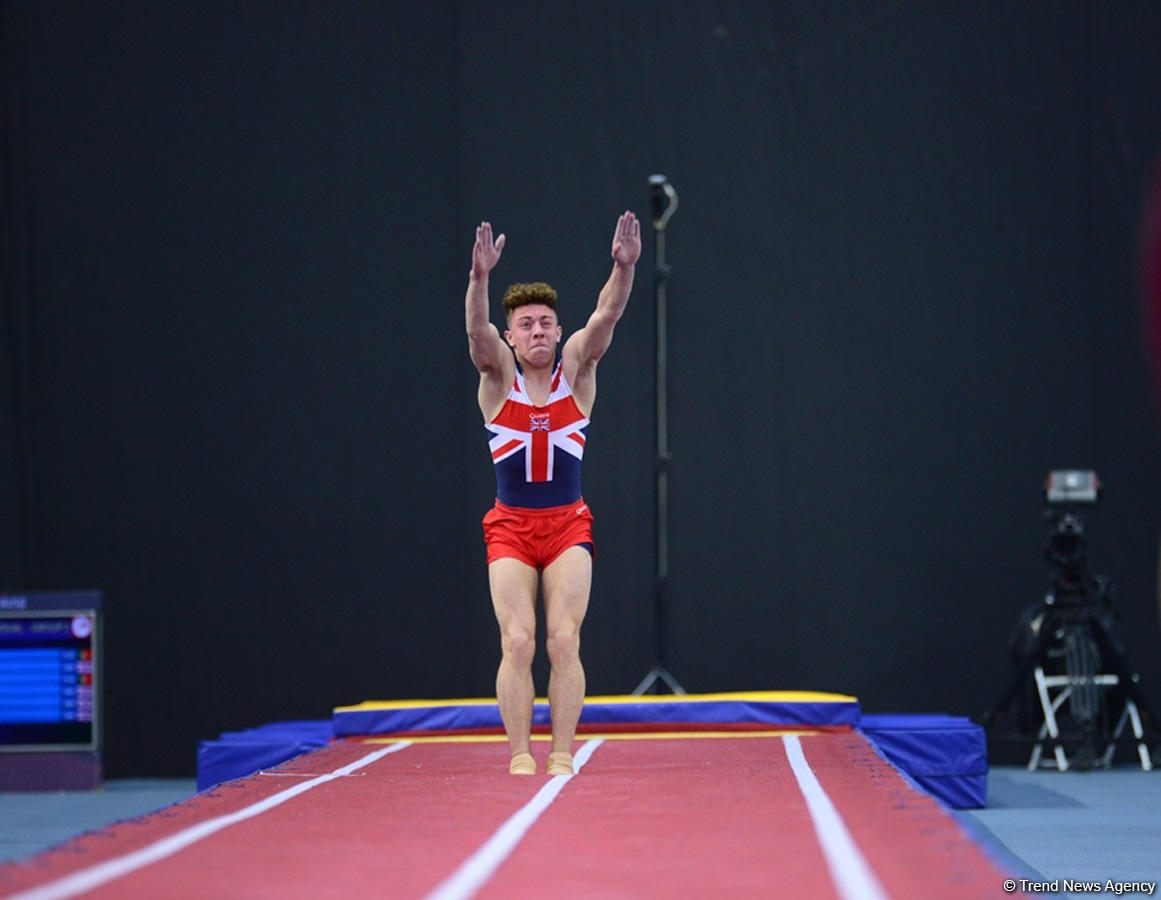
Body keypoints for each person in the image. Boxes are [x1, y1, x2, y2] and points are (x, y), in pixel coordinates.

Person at [465, 211, 640, 774]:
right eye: (527, 324)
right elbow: (475, 331)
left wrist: (624, 266)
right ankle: (520, 754)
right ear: (510, 336)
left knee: (564, 641)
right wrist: (479, 280)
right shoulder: (497, 381)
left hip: (567, 524)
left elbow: (608, 313)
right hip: (511, 526)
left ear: (559, 331)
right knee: (517, 642)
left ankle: (562, 752)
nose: (539, 331)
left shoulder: (578, 371)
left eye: (547, 322)